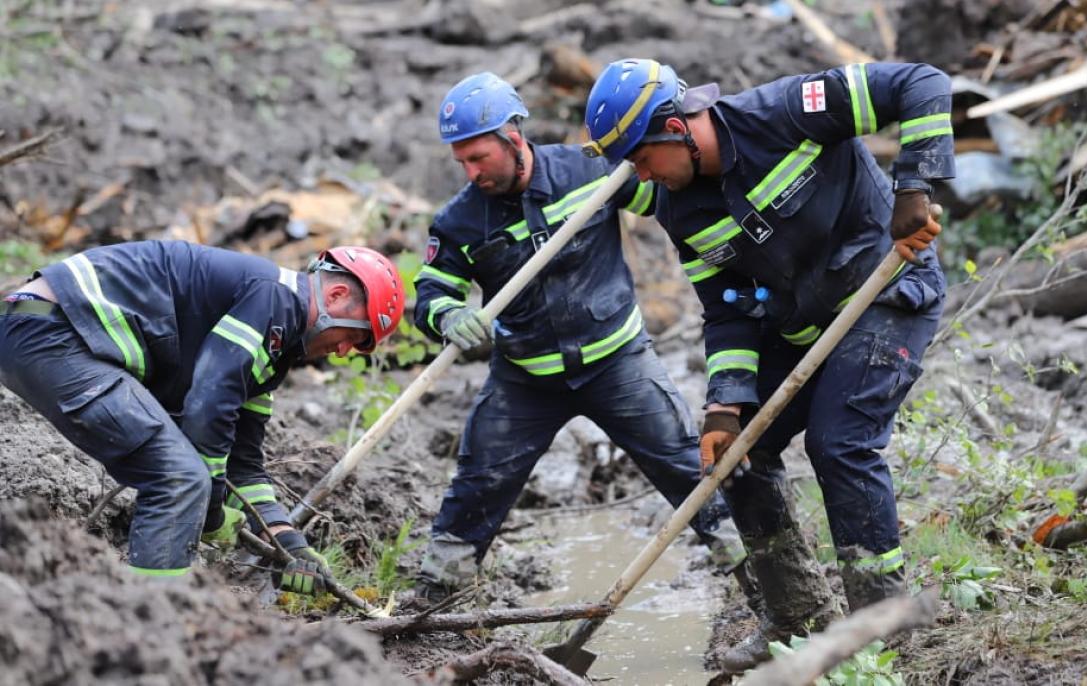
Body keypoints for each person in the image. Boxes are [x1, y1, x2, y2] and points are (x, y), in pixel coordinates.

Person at [583, 58, 952, 671]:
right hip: (801, 326)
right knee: (737, 458)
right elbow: (725, 313)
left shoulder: (788, 111)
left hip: (885, 296)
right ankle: (796, 616)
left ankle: (885, 625)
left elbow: (924, 82)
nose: (640, 178)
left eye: (642, 159)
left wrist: (914, 187)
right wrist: (725, 406)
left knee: (841, 443)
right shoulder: (680, 209)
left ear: (675, 126)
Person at [412, 72, 747, 601]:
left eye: (480, 158)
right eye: (463, 162)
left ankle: (755, 577)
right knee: (479, 484)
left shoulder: (592, 172)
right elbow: (431, 293)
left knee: (691, 469)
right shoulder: (459, 222)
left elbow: (670, 194)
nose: (472, 172)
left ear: (512, 137)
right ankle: (434, 598)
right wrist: (450, 316)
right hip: (526, 379)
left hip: (619, 363)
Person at [0, 241, 405, 592]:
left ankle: (148, 623)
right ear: (334, 296)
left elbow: (244, 465)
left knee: (184, 474)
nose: (342, 351)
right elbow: (209, 401)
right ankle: (152, 633)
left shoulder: (271, 350)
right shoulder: (273, 298)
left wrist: (287, 542)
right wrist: (211, 511)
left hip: (49, 334)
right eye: (353, 335)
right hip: (54, 333)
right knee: (180, 478)